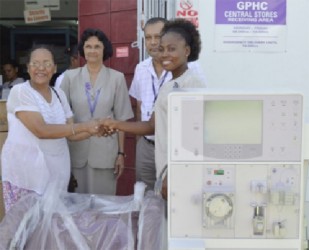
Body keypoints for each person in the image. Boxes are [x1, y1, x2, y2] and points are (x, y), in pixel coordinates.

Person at [102, 18, 207, 198]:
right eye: (162, 48)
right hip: (158, 154)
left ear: (187, 51)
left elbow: (191, 138)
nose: (164, 53)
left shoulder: (192, 81)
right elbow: (151, 124)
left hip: (178, 165)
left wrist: (171, 174)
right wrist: (115, 124)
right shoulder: (169, 84)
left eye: (171, 49)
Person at [1, 45, 101, 212]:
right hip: (26, 178)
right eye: (35, 63)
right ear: (28, 68)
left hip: (55, 176)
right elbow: (42, 130)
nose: (41, 68)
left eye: (47, 64)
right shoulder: (20, 92)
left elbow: (70, 133)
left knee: (50, 231)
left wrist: (95, 130)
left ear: (54, 68)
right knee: (26, 231)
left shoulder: (59, 94)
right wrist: (85, 126)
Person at [60, 28, 134, 195]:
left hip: (106, 153)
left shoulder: (117, 78)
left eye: (97, 46)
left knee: (104, 206)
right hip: (76, 152)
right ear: (82, 50)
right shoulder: (70, 78)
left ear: (104, 49)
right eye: (88, 46)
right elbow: (62, 117)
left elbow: (122, 119)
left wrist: (121, 153)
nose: (92, 51)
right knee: (78, 208)